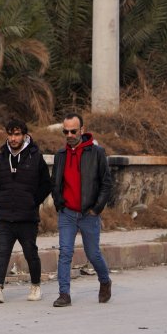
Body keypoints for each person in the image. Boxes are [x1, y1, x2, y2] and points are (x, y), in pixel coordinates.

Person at [0, 118, 50, 304]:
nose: (13, 138)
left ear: (25, 135)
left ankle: (36, 285)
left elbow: (47, 184)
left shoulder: (35, 156)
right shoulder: (2, 156)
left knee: (30, 252)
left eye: (17, 134)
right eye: (10, 134)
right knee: (2, 251)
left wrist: (33, 201)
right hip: (5, 215)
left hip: (27, 216)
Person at [51, 114, 114, 306]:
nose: (69, 135)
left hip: (89, 214)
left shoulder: (97, 153)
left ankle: (105, 281)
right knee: (65, 253)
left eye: (73, 131)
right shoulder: (60, 155)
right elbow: (55, 183)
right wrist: (59, 202)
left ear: (82, 130)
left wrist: (96, 208)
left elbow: (106, 183)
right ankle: (64, 294)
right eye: (65, 131)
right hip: (67, 213)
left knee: (93, 254)